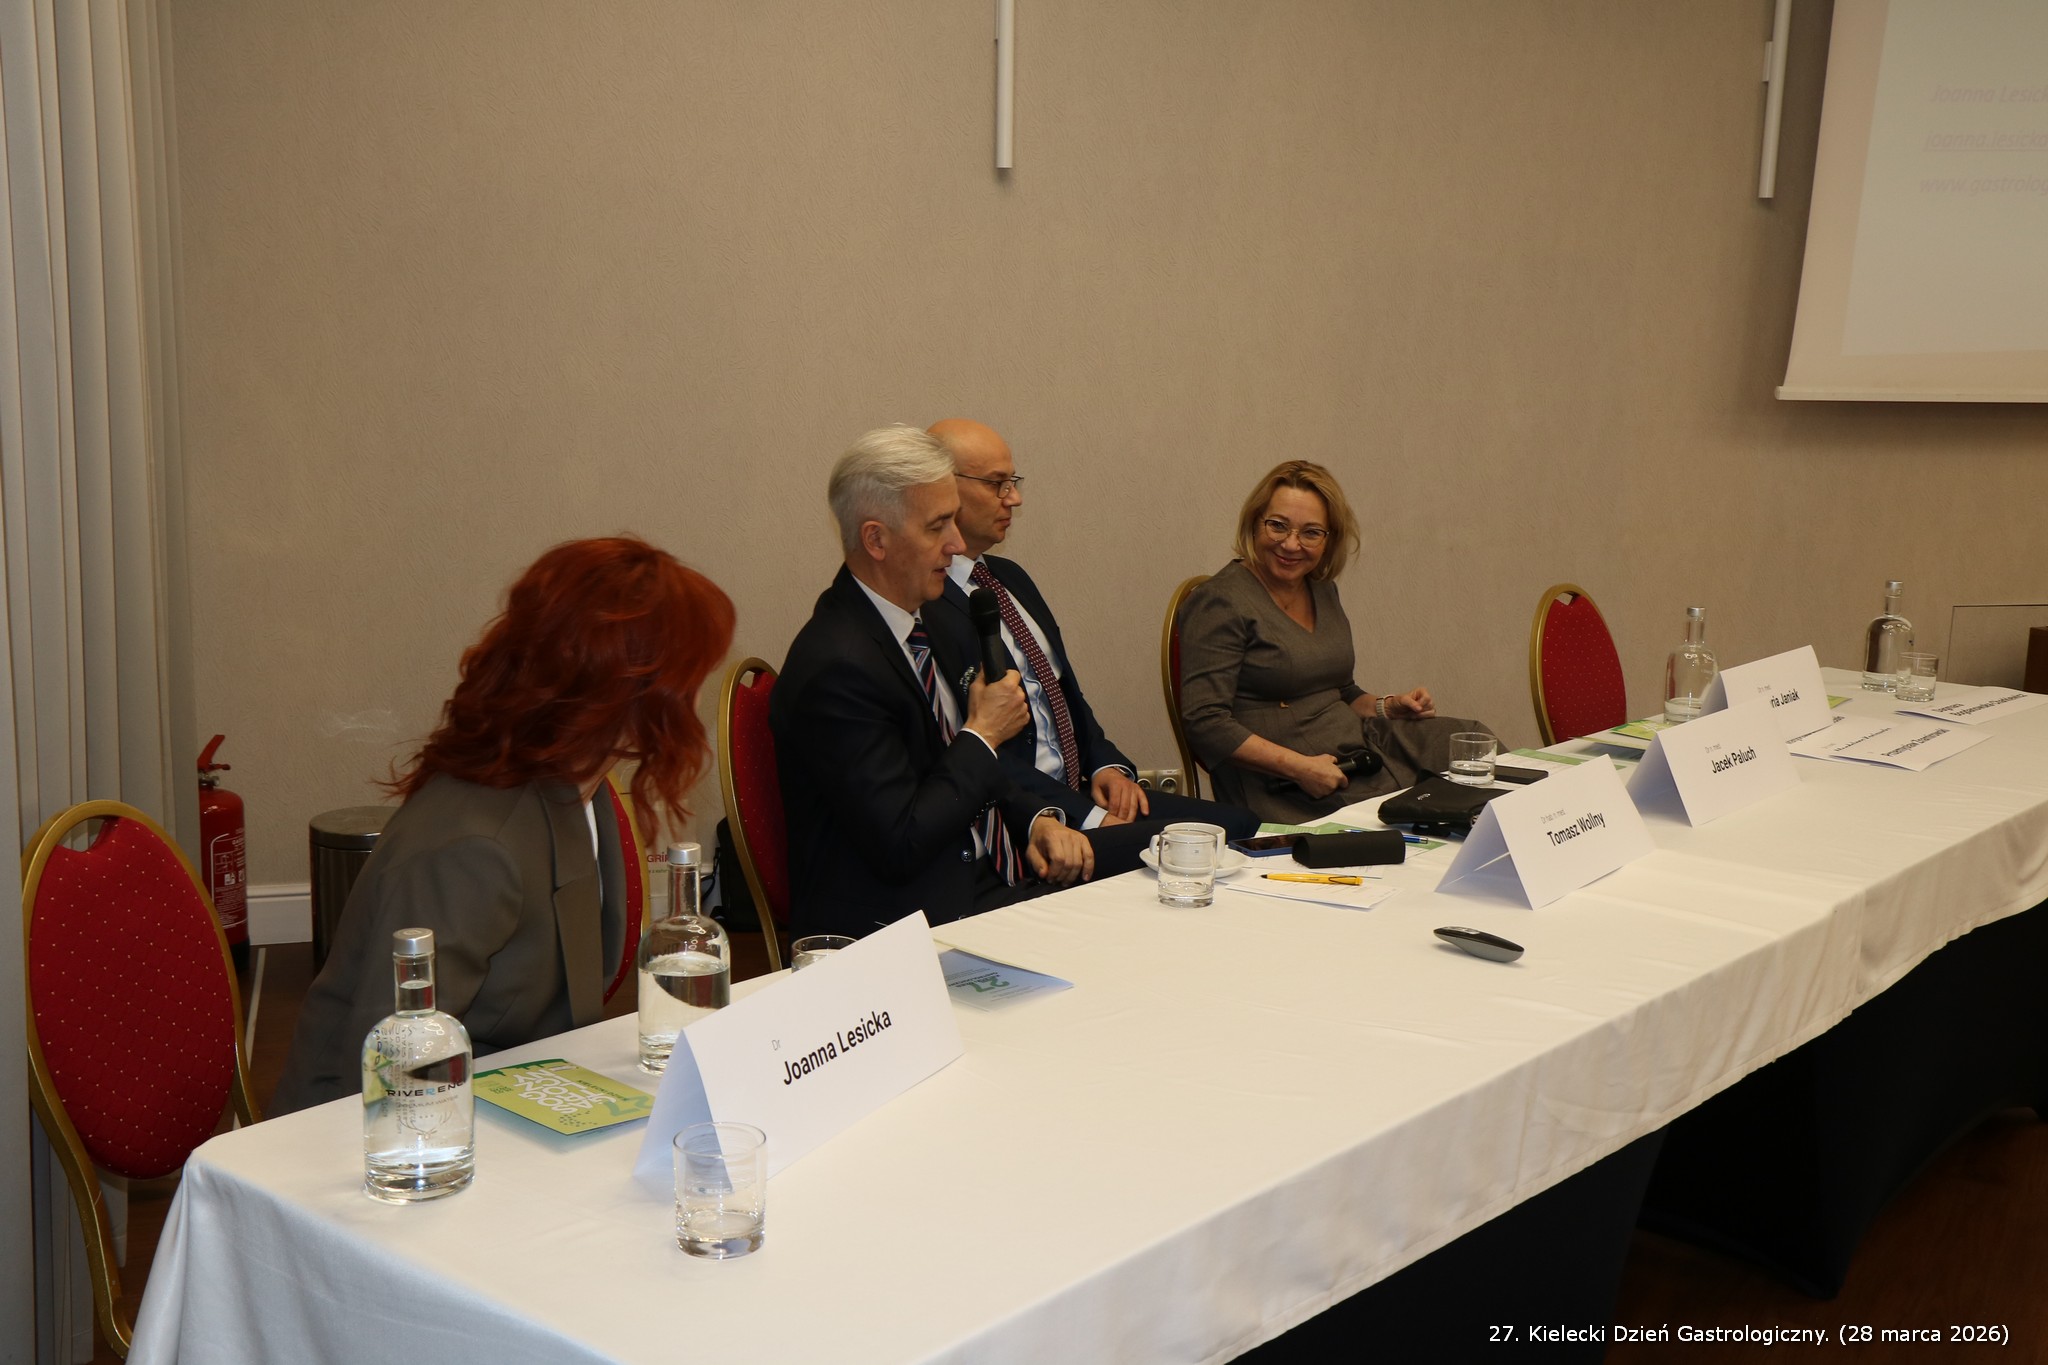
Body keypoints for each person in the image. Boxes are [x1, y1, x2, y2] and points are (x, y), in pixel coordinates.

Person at [272, 537, 735, 1113]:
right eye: (685, 679)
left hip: (511, 1090)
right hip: (380, 1129)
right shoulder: (475, 848)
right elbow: (392, 1078)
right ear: (619, 689)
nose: (694, 699)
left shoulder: (580, 788)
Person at [771, 425, 1096, 938]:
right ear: (876, 539)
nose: (957, 544)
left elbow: (955, 767)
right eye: (938, 526)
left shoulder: (922, 625)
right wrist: (983, 733)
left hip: (987, 881)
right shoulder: (838, 666)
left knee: (1156, 880)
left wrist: (1035, 821)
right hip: (905, 926)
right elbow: (901, 842)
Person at [922, 418, 1258, 870]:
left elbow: (1065, 694)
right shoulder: (926, 605)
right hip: (1029, 818)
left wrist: (1107, 767)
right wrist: (1088, 817)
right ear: (943, 487)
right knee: (1208, 850)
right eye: (997, 484)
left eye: (1013, 482)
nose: (1014, 498)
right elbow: (968, 746)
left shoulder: (1009, 578)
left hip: (1082, 791)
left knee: (1242, 826)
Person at [1177, 460, 1494, 824]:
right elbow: (1204, 722)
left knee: (1473, 742)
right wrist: (1300, 768)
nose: (1291, 544)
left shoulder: (1321, 589)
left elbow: (1341, 690)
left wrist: (1389, 707)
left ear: (1329, 540)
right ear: (1254, 523)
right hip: (1288, 781)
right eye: (1278, 525)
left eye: (1311, 532)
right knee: (1423, 815)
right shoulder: (1220, 601)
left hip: (1359, 749)